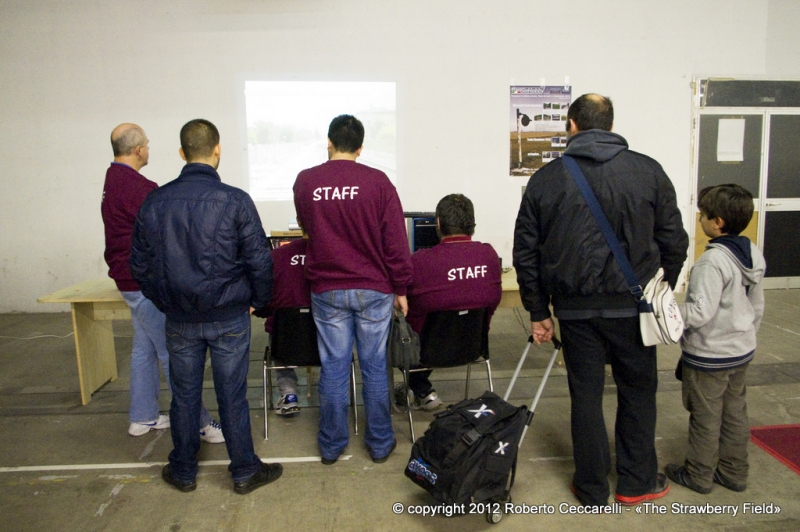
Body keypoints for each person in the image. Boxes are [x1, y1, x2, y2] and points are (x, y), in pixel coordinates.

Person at [513, 94, 688, 507]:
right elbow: (673, 241)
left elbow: (526, 252)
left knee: (585, 397)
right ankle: (637, 481)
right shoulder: (648, 171)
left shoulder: (546, 178)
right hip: (634, 310)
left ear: (571, 125)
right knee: (638, 392)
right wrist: (659, 288)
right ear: (610, 124)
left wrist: (539, 312)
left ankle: (591, 487)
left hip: (575, 312)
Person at [130, 119, 282, 494]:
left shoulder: (156, 201)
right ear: (218, 151)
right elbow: (261, 261)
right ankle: (245, 471)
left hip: (180, 318)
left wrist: (165, 300)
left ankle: (183, 470)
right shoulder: (235, 200)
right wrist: (257, 301)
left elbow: (139, 265)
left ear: (182, 153)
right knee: (232, 395)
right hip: (229, 316)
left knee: (183, 395)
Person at [293, 114, 412, 465]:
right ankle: (378, 443)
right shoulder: (378, 182)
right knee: (375, 367)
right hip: (374, 289)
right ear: (361, 147)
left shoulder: (306, 181)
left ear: (328, 142)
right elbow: (395, 242)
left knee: (334, 368)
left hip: (327, 288)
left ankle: (331, 445)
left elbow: (306, 226)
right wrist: (401, 286)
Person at [101, 123, 223, 443]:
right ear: (140, 149)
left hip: (126, 279)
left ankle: (142, 416)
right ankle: (201, 423)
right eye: (148, 145)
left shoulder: (113, 178)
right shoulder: (139, 187)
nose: (149, 149)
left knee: (144, 347)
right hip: (142, 282)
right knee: (173, 352)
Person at [665, 184, 765, 494]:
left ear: (717, 222)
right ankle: (734, 473)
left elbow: (699, 312)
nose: (700, 219)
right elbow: (757, 306)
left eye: (703, 215)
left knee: (705, 418)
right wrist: (745, 336)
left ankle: (698, 474)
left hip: (710, 357)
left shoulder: (711, 262)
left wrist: (667, 312)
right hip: (740, 350)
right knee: (735, 413)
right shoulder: (751, 252)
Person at [396, 194, 502, 410]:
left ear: (438, 223)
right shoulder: (489, 256)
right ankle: (421, 388)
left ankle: (414, 389)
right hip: (472, 347)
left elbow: (400, 295)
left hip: (423, 353)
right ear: (472, 223)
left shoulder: (420, 262)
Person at [255, 232, 310, 416]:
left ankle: (289, 395)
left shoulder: (277, 256)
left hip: (284, 339)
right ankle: (332, 396)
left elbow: (264, 298)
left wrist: (262, 312)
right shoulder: (330, 253)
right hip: (323, 337)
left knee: (280, 327)